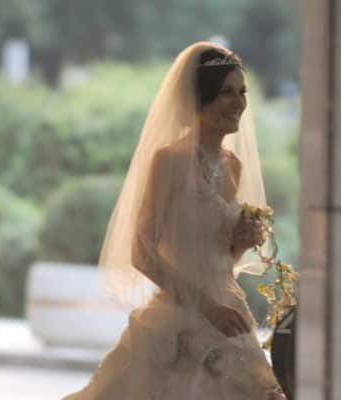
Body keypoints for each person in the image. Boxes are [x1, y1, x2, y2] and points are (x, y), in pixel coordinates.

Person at [63, 42, 285, 400]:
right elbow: (141, 252)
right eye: (226, 92)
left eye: (242, 92)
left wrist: (240, 244)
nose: (239, 102)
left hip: (229, 313)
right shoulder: (170, 161)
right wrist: (206, 307)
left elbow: (221, 262)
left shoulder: (233, 165)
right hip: (181, 317)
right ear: (198, 99)